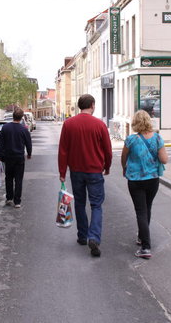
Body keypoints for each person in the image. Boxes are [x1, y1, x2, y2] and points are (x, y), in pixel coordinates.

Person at [58, 94, 112, 257]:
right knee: (96, 205)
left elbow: (63, 150)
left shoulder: (68, 124)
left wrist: (62, 172)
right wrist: (107, 166)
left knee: (80, 203)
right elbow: (108, 150)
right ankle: (94, 237)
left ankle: (82, 235)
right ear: (93, 105)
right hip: (95, 170)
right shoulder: (99, 125)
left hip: (76, 171)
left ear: (79, 106)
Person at [121, 110, 168, 259]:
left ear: (135, 123)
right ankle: (142, 238)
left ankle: (145, 247)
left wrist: (125, 168)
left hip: (135, 180)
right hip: (152, 180)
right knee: (147, 208)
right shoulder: (157, 138)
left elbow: (123, 158)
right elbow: (164, 159)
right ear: (148, 121)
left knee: (141, 211)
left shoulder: (130, 140)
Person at [0, 107, 32, 208]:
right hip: (19, 157)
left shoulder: (5, 128)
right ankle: (17, 201)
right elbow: (28, 143)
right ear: (21, 118)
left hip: (8, 157)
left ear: (13, 116)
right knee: (18, 179)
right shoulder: (24, 129)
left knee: (8, 178)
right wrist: (29, 153)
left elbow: (1, 143)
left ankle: (9, 198)